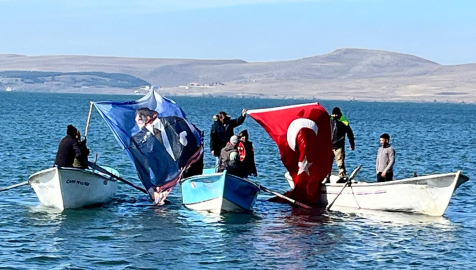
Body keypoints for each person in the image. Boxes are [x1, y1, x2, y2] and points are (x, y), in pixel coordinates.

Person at [330, 107, 355, 182]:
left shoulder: (344, 122)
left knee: (340, 162)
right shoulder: (330, 120)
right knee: (327, 163)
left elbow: (350, 133)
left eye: (336, 114)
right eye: (334, 114)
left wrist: (352, 143)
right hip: (330, 145)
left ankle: (342, 176)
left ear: (339, 114)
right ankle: (326, 177)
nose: (335, 115)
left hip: (339, 145)